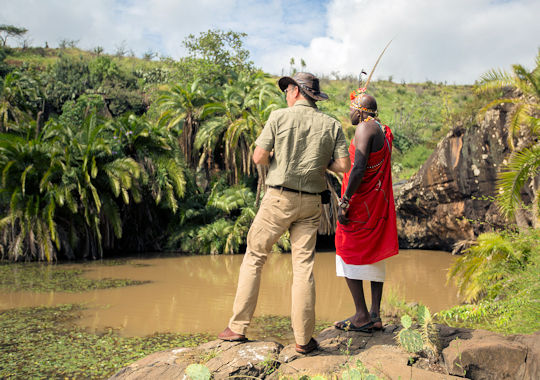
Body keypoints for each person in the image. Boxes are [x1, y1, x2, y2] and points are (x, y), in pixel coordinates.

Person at [218, 72, 350, 354]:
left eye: (287, 89)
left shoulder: (279, 116)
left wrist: (281, 157)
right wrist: (317, 162)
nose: (285, 94)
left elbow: (258, 157)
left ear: (295, 91)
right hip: (312, 204)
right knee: (303, 268)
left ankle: (237, 328)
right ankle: (303, 340)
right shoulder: (331, 124)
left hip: (278, 199)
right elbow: (342, 165)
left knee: (255, 257)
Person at [333, 89, 399, 332]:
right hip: (375, 202)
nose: (349, 112)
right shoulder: (381, 129)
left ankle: (361, 315)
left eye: (351, 108)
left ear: (360, 111)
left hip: (361, 203)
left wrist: (346, 200)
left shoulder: (363, 129)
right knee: (374, 253)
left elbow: (359, 167)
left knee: (345, 248)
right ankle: (375, 314)